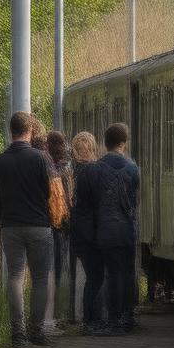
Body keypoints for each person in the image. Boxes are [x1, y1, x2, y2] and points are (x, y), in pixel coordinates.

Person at [0, 112, 54, 348]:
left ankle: (18, 333)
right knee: (40, 278)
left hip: (10, 226)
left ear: (11, 131)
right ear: (30, 131)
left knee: (15, 276)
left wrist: (2, 216)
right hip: (38, 225)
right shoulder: (40, 159)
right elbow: (49, 192)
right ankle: (37, 331)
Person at [86, 123, 140, 335]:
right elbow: (134, 199)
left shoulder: (95, 169)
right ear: (123, 143)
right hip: (127, 228)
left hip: (105, 229)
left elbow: (91, 202)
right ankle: (128, 317)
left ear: (104, 143)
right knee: (127, 273)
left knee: (110, 273)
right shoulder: (133, 168)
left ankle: (114, 320)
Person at [70, 131, 106, 332]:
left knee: (92, 276)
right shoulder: (93, 171)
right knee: (96, 277)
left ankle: (88, 319)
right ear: (92, 148)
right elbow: (99, 203)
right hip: (92, 232)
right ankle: (93, 320)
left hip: (78, 232)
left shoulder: (73, 171)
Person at [46, 131, 72, 318]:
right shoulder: (68, 167)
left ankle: (51, 310)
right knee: (60, 264)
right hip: (62, 222)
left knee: (48, 266)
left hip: (45, 220)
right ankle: (59, 309)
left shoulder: (45, 165)